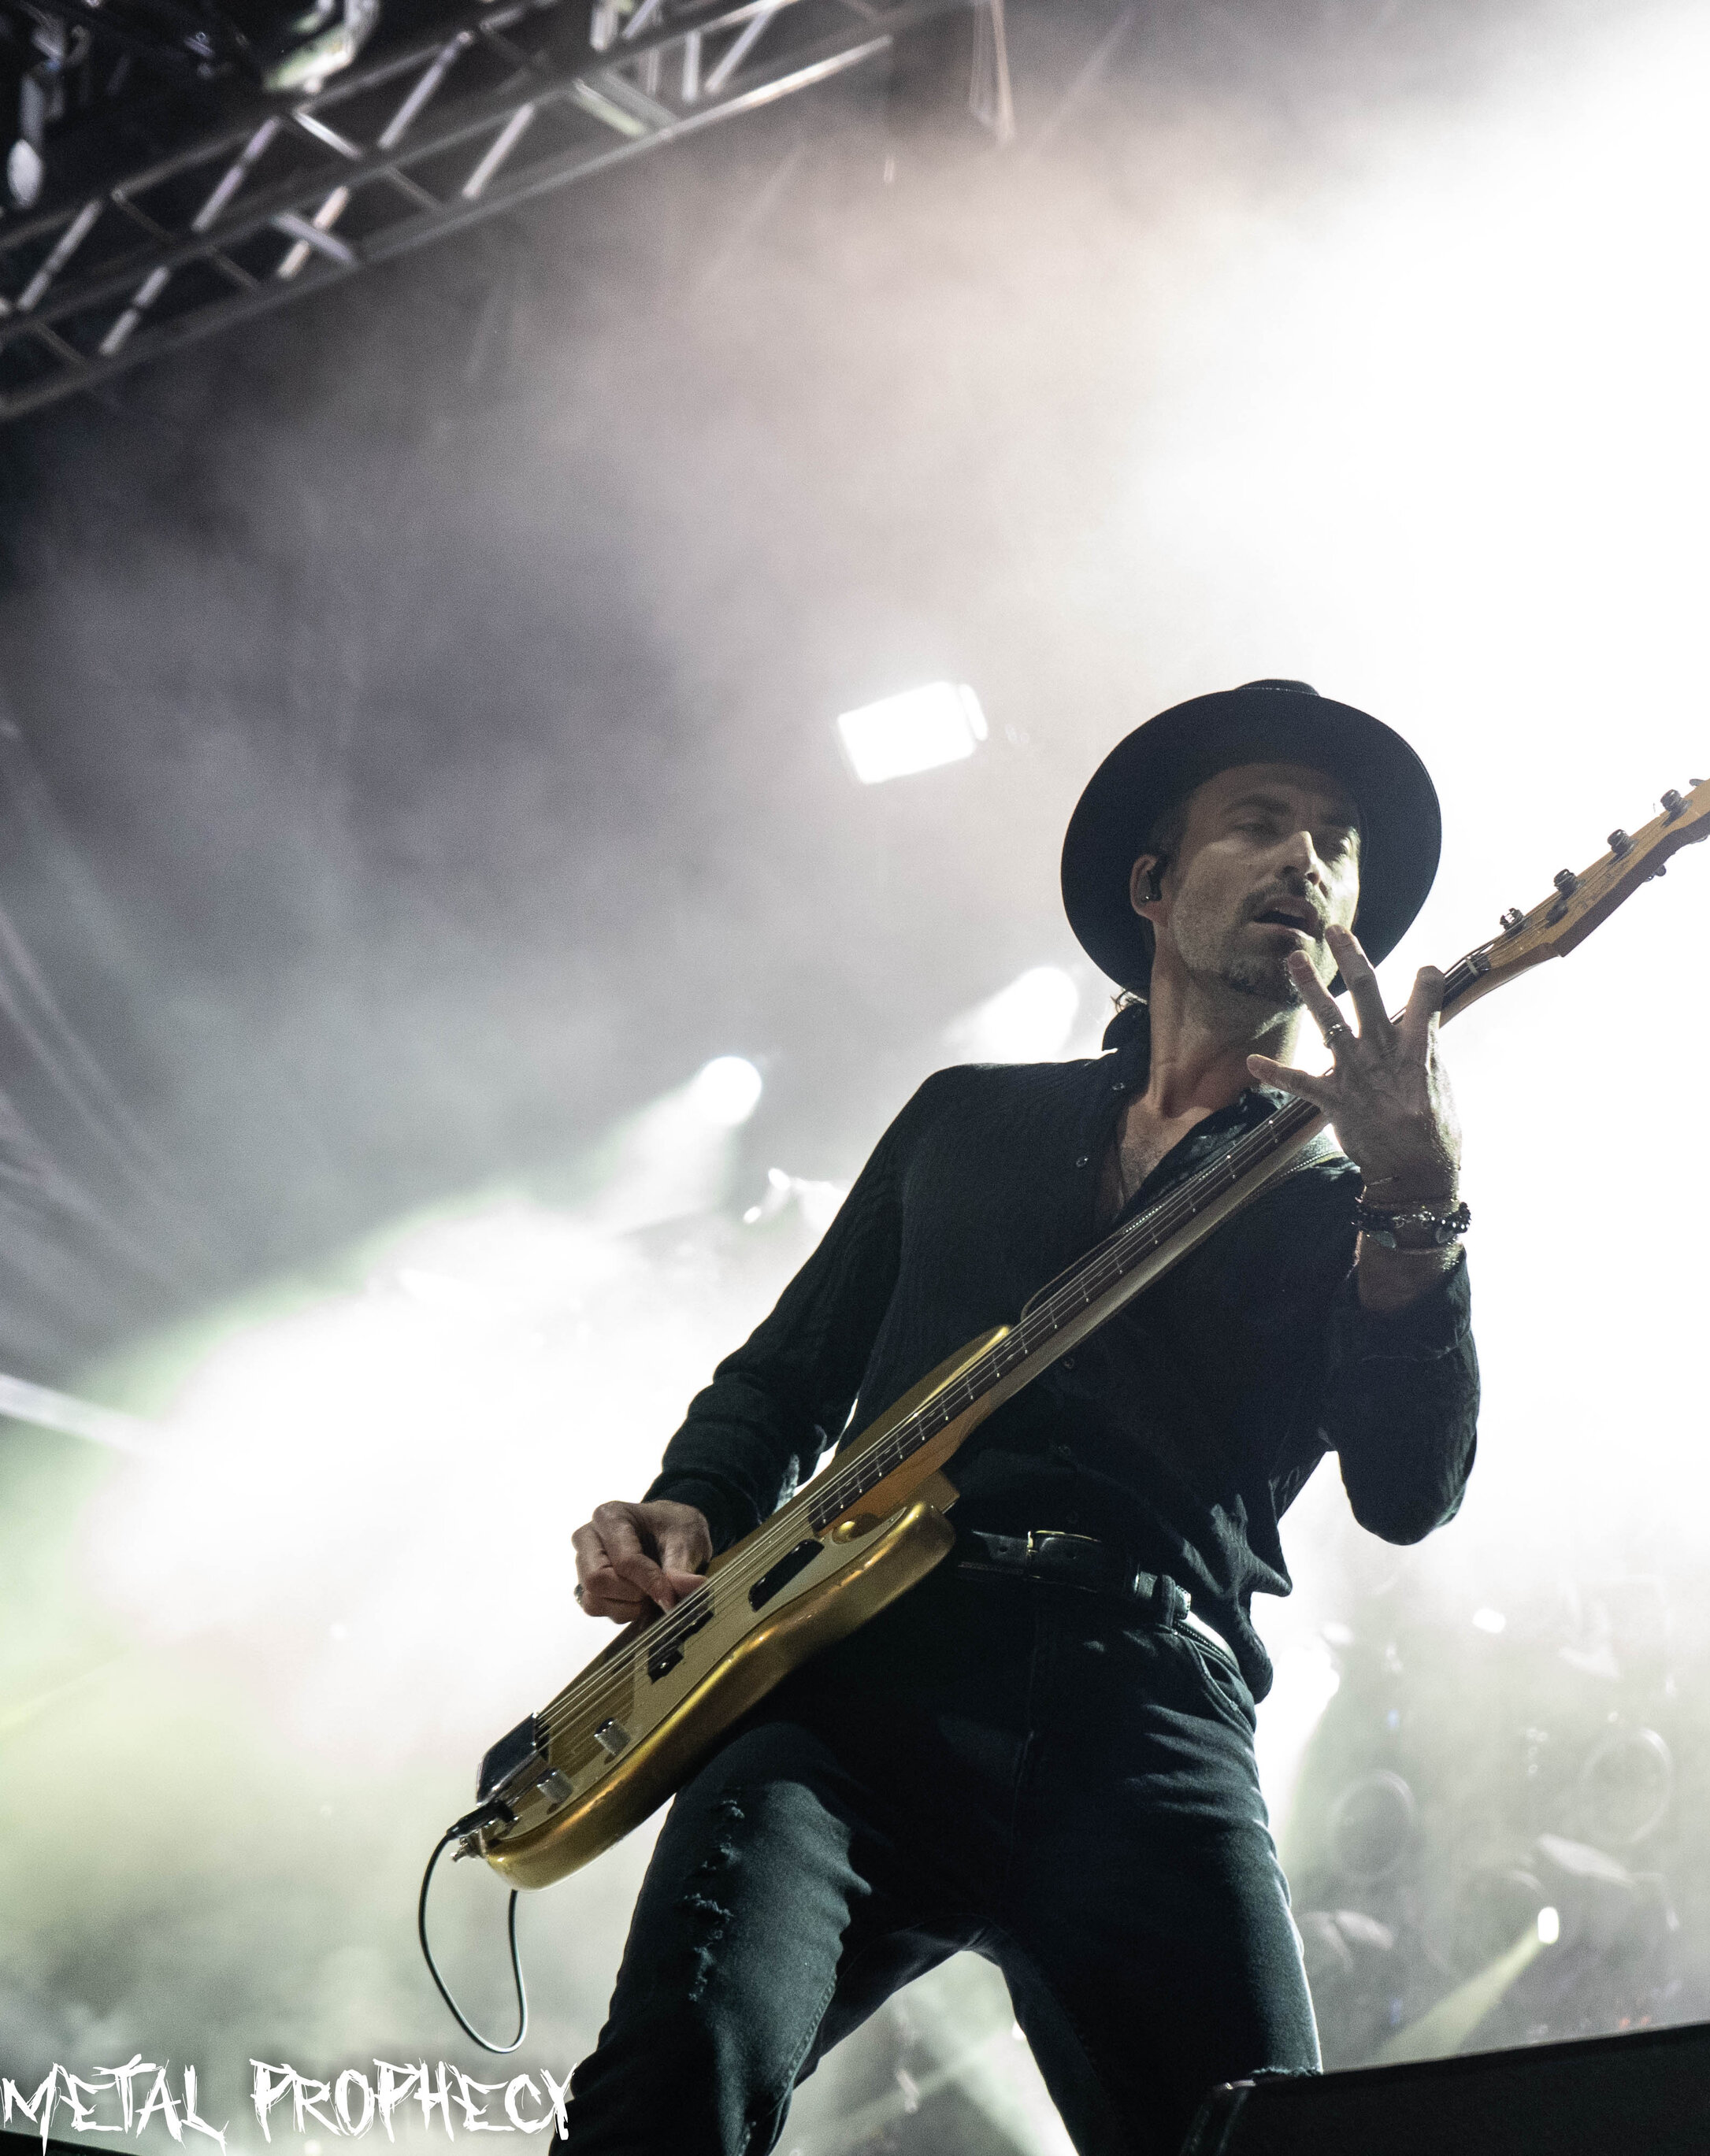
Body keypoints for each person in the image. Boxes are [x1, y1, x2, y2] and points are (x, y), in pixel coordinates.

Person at [565, 678, 1479, 2156]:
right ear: (1155, 880)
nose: (1309, 859)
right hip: (864, 1680)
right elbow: (786, 1377)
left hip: (1151, 1710)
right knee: (674, 2080)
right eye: (1261, 821)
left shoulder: (1339, 1196)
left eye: (1339, 841)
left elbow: (1406, 1486)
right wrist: (695, 1498)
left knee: (1264, 2144)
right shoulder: (965, 1119)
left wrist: (1418, 1208)